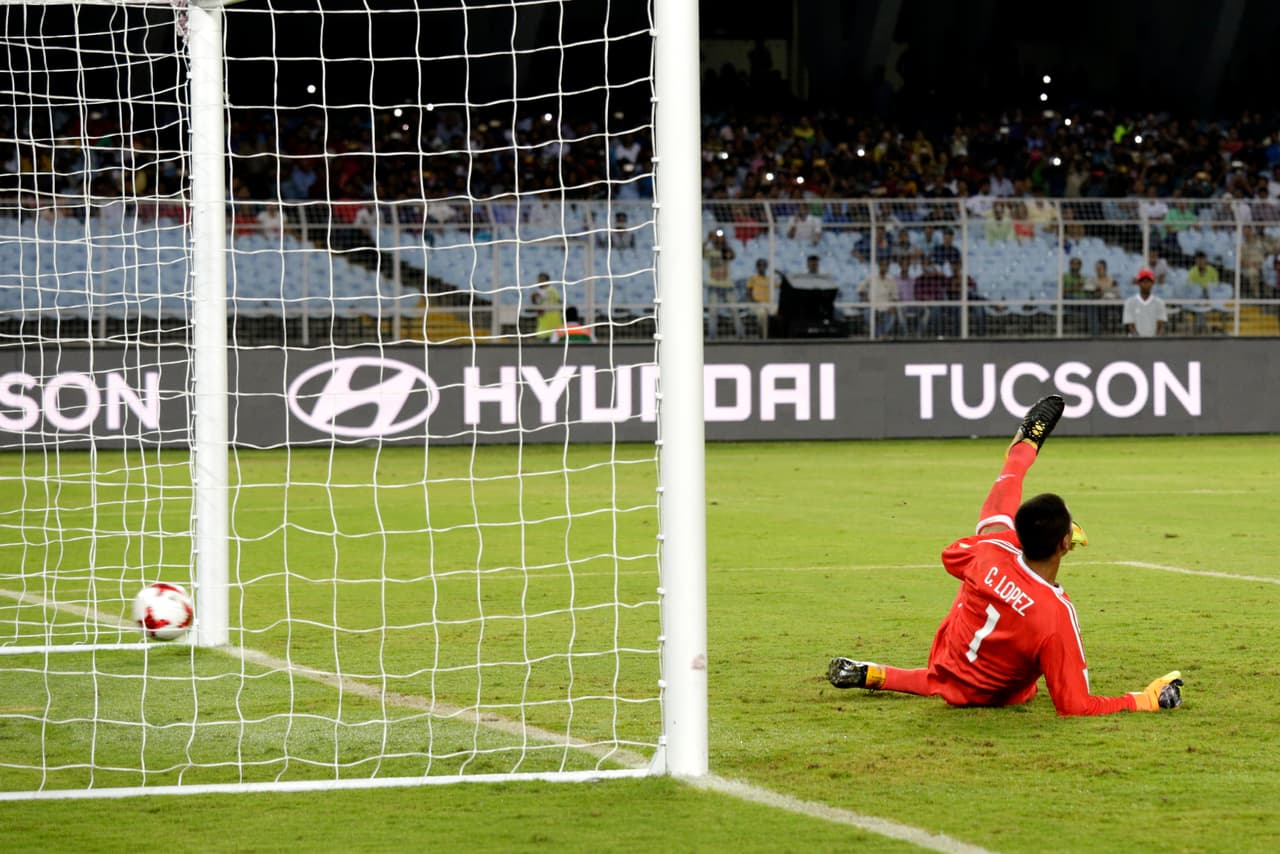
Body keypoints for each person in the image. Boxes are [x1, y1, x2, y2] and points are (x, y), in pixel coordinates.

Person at [827, 395, 1185, 717]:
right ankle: (879, 674)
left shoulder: (990, 551)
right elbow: (1075, 705)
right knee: (1023, 628)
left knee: (991, 531)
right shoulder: (1056, 613)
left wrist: (1007, 543)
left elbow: (951, 555)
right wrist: (1146, 699)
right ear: (1065, 544)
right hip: (1000, 695)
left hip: (948, 664)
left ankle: (1024, 445)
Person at [703, 228, 740, 338]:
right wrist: (708, 240)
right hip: (713, 285)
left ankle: (741, 335)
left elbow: (732, 255)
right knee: (713, 313)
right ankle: (712, 336)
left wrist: (724, 242)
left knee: (734, 311)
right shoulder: (710, 252)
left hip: (727, 285)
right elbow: (699, 251)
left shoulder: (725, 251)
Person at [1123, 268, 1168, 337]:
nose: (1146, 284)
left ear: (1152, 283)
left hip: (1154, 343)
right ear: (1138, 283)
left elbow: (1160, 326)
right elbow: (1130, 326)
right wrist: (1140, 342)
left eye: (1148, 281)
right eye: (1143, 281)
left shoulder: (1159, 303)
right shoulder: (1130, 302)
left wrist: (1156, 341)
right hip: (1134, 343)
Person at [744, 258, 775, 338]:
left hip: (769, 304)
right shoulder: (753, 278)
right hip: (757, 303)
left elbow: (780, 285)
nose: (762, 267)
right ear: (757, 267)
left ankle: (775, 335)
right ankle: (762, 336)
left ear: (766, 267)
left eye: (764, 265)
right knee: (762, 314)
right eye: (760, 265)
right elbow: (748, 293)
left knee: (779, 311)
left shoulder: (770, 279)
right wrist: (754, 302)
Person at [532, 272, 563, 338]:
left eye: (541, 280)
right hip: (556, 325)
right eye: (539, 280)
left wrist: (534, 303)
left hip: (546, 326)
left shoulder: (544, 291)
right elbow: (559, 302)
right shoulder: (554, 290)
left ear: (547, 281)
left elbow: (534, 296)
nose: (539, 282)